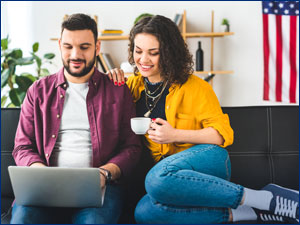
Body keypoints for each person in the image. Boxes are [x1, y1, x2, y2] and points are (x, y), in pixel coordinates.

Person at [107, 15, 299, 224]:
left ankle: (264, 198)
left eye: (153, 53)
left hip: (207, 160)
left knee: (156, 178)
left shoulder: (196, 87)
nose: (143, 60)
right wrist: (108, 78)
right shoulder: (132, 86)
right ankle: (252, 213)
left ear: (169, 53)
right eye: (138, 51)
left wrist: (174, 135)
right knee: (144, 213)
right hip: (170, 181)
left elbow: (222, 135)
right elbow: (102, 102)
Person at [10, 13, 141, 224]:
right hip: (45, 189)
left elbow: (132, 148)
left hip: (101, 189)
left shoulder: (118, 90)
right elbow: (22, 147)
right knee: (23, 220)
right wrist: (41, 174)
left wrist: (104, 173)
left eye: (84, 47)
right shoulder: (38, 91)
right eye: (69, 46)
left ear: (97, 48)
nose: (75, 54)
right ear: (60, 45)